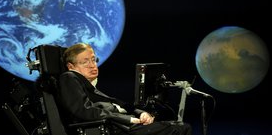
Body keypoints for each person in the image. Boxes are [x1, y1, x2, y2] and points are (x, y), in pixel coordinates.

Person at [57, 42, 192, 135]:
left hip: (121, 125)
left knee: (178, 126)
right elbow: (84, 111)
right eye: (85, 62)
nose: (92, 65)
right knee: (179, 129)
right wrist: (128, 119)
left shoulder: (88, 86)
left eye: (93, 59)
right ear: (71, 67)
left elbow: (118, 104)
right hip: (114, 128)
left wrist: (140, 113)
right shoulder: (69, 77)